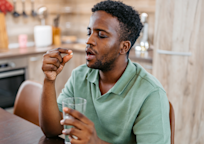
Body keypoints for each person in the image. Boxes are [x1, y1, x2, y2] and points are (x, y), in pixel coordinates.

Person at [39, 0, 171, 144]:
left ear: (124, 47)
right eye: (89, 32)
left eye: (101, 35)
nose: (89, 40)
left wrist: (96, 142)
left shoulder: (151, 94)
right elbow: (52, 129)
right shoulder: (80, 76)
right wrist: (49, 80)